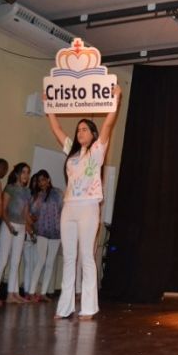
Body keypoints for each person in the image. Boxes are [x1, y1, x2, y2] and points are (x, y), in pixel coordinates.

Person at [46, 85, 121, 319]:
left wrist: (116, 99)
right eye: (78, 129)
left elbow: (108, 125)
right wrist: (49, 106)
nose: (80, 132)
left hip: (89, 206)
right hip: (69, 207)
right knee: (69, 258)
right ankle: (65, 307)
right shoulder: (71, 152)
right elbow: (57, 128)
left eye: (85, 129)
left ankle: (88, 307)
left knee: (86, 256)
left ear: (93, 134)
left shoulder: (97, 150)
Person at [27, 170, 64, 302]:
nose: (41, 183)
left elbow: (63, 210)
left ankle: (43, 293)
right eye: (39, 181)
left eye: (43, 179)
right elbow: (32, 212)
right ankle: (31, 292)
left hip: (56, 233)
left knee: (50, 263)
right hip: (42, 232)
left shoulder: (58, 193)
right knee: (41, 261)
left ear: (48, 179)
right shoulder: (37, 196)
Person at [0, 162, 31, 304]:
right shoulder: (9, 188)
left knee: (16, 262)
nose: (26, 175)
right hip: (8, 226)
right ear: (17, 173)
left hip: (21, 227)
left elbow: (25, 213)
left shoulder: (27, 192)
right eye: (23, 172)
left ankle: (11, 294)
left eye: (28, 172)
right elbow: (3, 210)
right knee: (2, 261)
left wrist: (29, 229)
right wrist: (9, 226)